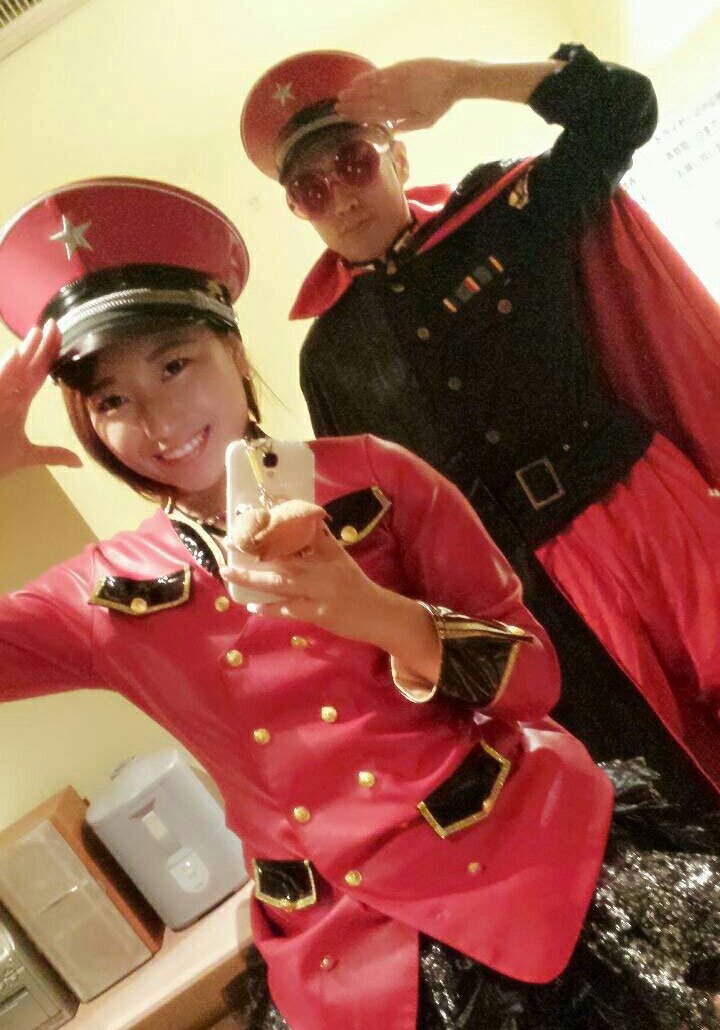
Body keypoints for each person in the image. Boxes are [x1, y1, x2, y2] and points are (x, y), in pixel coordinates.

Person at [0, 177, 718, 1030]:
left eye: (174, 363)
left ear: (232, 351)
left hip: (527, 872)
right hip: (342, 954)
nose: (156, 418)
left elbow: (533, 681)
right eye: (111, 399)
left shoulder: (377, 475)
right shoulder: (97, 593)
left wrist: (371, 611)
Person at [240, 45, 720, 809]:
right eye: (312, 189)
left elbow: (620, 111)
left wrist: (464, 81)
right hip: (531, 599)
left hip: (643, 510)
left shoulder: (504, 217)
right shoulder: (330, 355)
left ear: (397, 156)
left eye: (355, 163)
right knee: (662, 788)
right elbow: (378, 528)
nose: (342, 199)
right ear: (299, 210)